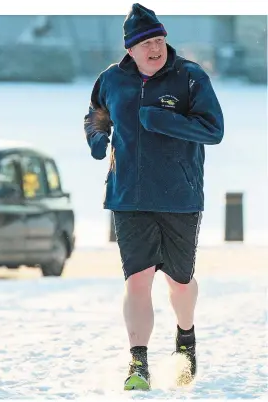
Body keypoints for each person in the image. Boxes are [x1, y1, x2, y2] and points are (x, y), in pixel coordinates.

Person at [84, 3, 224, 391]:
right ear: (130, 49)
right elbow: (96, 113)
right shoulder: (111, 79)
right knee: (138, 280)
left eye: (160, 40)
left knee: (179, 282)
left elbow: (214, 130)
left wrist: (164, 120)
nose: (155, 48)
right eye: (146, 43)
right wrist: (98, 137)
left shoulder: (191, 78)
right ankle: (138, 363)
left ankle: (185, 336)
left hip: (180, 195)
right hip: (128, 195)